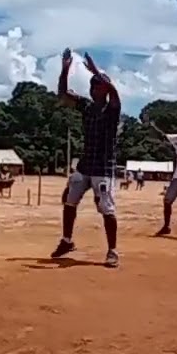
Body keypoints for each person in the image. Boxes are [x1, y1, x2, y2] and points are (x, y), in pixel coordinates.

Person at [51, 49, 121, 267]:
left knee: (106, 209)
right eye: (91, 86)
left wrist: (97, 70)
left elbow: (114, 91)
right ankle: (67, 240)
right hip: (85, 164)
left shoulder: (112, 109)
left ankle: (112, 251)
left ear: (105, 89)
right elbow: (63, 93)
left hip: (103, 167)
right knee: (69, 200)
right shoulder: (87, 107)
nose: (91, 89)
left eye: (96, 86)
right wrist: (65, 70)